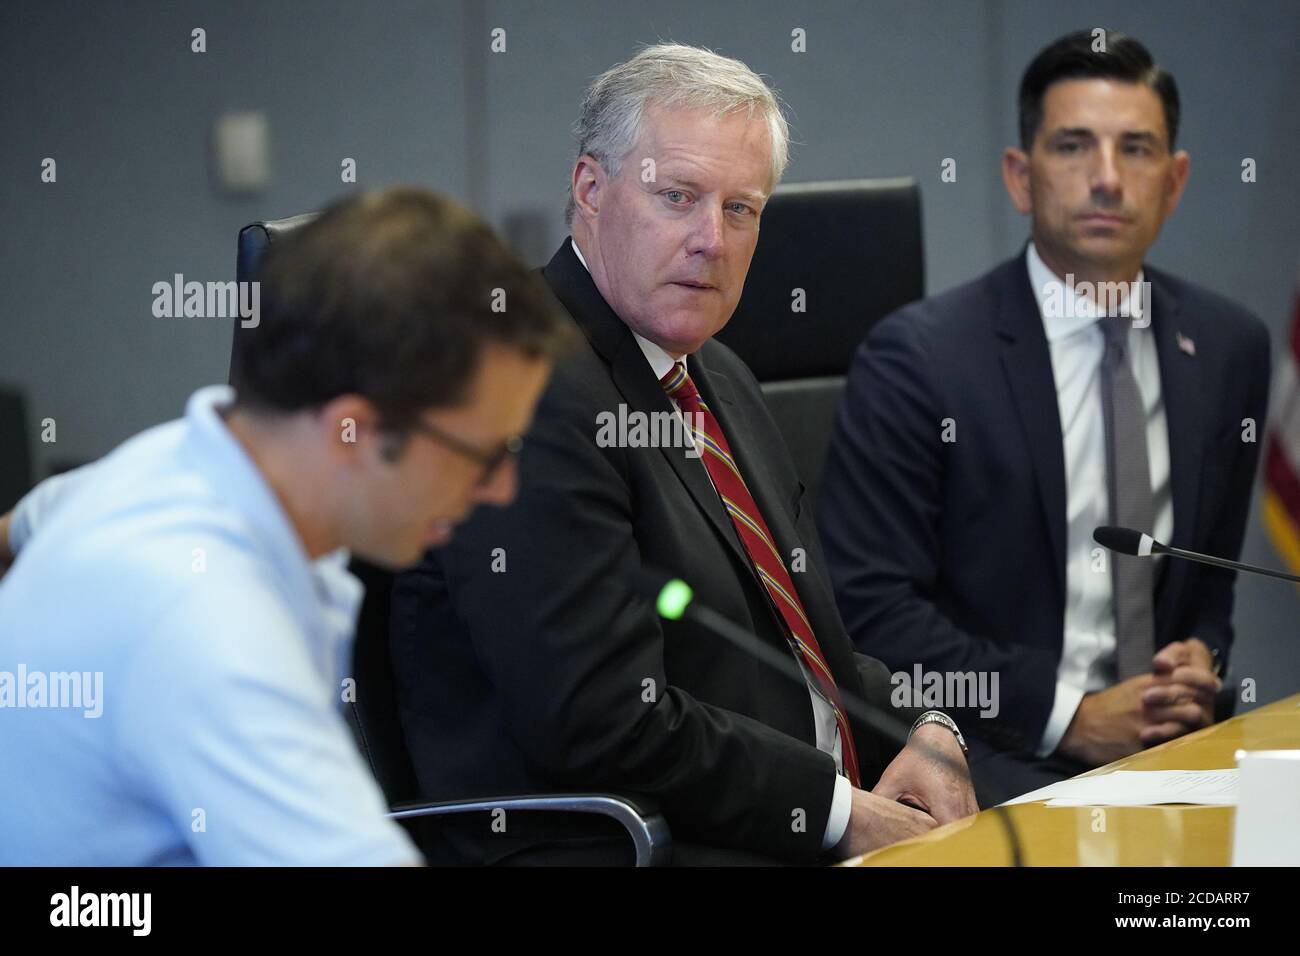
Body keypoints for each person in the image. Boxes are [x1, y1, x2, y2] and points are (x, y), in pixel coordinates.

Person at [390, 43, 977, 866]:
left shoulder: (717, 372)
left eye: (742, 210)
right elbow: (600, 721)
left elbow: (799, 643)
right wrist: (843, 814)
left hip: (752, 815)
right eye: (678, 197)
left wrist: (926, 728)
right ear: (589, 191)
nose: (713, 239)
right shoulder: (519, 385)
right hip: (614, 841)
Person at [0, 188, 572, 864]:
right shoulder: (207, 626)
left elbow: (17, 527)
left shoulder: (169, 466)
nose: (502, 490)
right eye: (483, 455)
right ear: (351, 432)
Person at [819, 31, 1271, 798]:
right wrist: (1070, 714)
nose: (1106, 179)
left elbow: (1208, 587)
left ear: (1175, 180)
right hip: (993, 753)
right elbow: (869, 613)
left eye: (1137, 149)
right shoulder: (920, 359)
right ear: (1020, 177)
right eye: (1073, 147)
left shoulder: (1229, 347)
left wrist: (1201, 656)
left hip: (1176, 748)